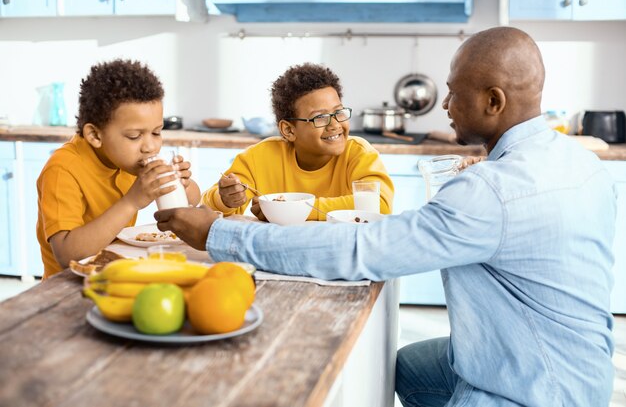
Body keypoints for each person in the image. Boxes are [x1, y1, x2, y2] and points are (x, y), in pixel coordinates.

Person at [154, 27, 617, 406]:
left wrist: (220, 234)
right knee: (409, 369)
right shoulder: (577, 162)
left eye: (454, 94)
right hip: (581, 370)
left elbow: (365, 247)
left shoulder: (491, 191)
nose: (444, 106)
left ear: (493, 102)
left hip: (535, 391)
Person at [36, 59, 200, 279]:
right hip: (69, 286)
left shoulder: (127, 159)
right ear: (95, 135)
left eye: (157, 132)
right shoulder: (62, 170)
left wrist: (182, 185)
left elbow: (193, 201)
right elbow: (67, 256)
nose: (150, 146)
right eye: (134, 136)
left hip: (116, 273)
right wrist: (133, 201)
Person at [201, 63, 394, 220]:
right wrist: (226, 200)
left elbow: (378, 206)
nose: (334, 124)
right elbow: (208, 209)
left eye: (339, 112)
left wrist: (287, 211)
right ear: (289, 130)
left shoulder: (359, 153)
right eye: (320, 117)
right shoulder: (259, 158)